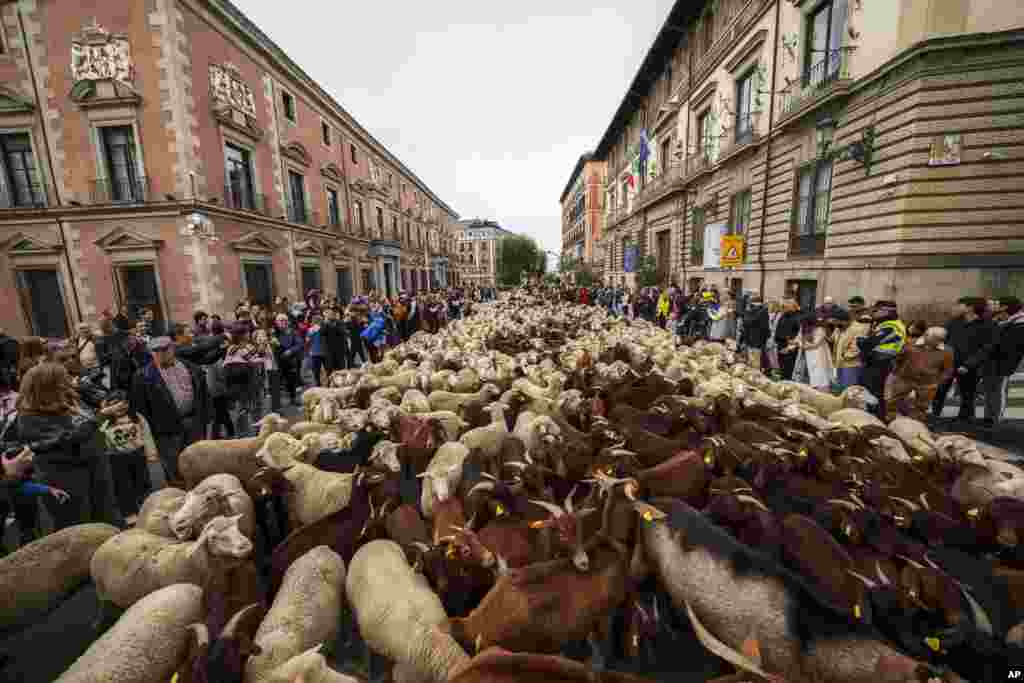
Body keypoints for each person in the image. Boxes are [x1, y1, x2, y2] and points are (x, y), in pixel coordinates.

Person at [11, 362, 120, 530]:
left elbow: (91, 425)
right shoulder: (29, 416)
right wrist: (99, 418)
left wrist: (105, 415)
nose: (68, 382)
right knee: (78, 527)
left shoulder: (70, 399)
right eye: (63, 379)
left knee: (106, 520)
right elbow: (65, 439)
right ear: (48, 386)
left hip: (95, 467)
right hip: (65, 476)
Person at [129, 337, 209, 487]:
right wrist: (150, 434)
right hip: (166, 430)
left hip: (193, 422)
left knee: (198, 462)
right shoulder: (142, 376)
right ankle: (179, 496)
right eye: (156, 351)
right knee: (174, 468)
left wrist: (204, 419)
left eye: (165, 350)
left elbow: (204, 395)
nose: (161, 354)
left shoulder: (191, 368)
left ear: (172, 349)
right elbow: (140, 409)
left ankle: (200, 491)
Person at [932, 298, 994, 423]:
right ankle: (934, 415)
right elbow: (942, 339)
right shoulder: (954, 322)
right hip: (948, 363)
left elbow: (987, 348)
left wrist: (969, 364)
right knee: (939, 390)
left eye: (960, 305)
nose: (956, 308)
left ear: (970, 308)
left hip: (969, 366)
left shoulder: (988, 325)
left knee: (967, 394)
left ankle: (965, 420)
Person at [97, 392, 156, 521]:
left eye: (123, 404)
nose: (120, 407)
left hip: (137, 454)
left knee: (143, 483)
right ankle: (130, 515)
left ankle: (146, 508)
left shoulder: (137, 417)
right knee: (123, 487)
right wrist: (102, 414)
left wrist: (151, 453)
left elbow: (146, 434)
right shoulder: (106, 422)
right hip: (117, 458)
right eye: (114, 405)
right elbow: (99, 435)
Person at [885, 327, 954, 423]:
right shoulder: (911, 344)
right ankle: (889, 420)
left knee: (921, 407)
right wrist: (897, 373)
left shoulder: (947, 351)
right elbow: (898, 358)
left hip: (928, 383)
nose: (926, 337)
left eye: (939, 339)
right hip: (905, 378)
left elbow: (948, 370)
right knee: (893, 401)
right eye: (927, 335)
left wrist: (937, 382)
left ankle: (917, 425)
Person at [857, 301, 906, 421]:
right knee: (871, 392)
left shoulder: (891, 326)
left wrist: (862, 341)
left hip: (881, 364)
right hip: (876, 363)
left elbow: (867, 343)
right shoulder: (884, 324)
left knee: (874, 394)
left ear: (886, 311)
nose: (873, 314)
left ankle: (876, 419)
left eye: (876, 311)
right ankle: (873, 417)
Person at [980, 296, 1024, 427]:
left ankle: (996, 420)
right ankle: (988, 418)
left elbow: (1013, 347)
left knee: (998, 391)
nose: (994, 307)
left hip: (1004, 363)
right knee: (989, 391)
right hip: (991, 361)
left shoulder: (1019, 323)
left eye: (997, 304)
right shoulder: (999, 321)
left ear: (1005, 307)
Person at [834, 310, 870, 390]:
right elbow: (835, 342)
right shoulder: (839, 328)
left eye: (837, 322)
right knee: (842, 388)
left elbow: (857, 347)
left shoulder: (858, 329)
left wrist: (844, 356)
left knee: (850, 390)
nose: (835, 324)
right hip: (840, 363)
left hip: (851, 365)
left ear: (846, 321)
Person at [273, 314, 304, 404]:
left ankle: (293, 398)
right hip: (276, 360)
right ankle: (276, 403)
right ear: (276, 322)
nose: (283, 322)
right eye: (281, 320)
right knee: (276, 383)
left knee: (291, 381)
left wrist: (291, 350)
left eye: (285, 320)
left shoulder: (293, 332)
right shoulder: (273, 333)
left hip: (289, 359)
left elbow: (299, 344)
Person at [801, 311, 835, 392]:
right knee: (819, 374)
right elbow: (816, 344)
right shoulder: (817, 330)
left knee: (818, 373)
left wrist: (804, 346)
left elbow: (815, 344)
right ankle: (822, 392)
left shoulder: (815, 330)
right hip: (816, 354)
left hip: (815, 354)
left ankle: (820, 391)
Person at [774, 297, 803, 380]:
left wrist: (791, 342)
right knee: (781, 365)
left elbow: (799, 333)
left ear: (793, 306)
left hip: (790, 346)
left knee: (788, 368)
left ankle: (787, 383)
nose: (785, 307)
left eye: (787, 305)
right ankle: (782, 381)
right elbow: (778, 327)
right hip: (780, 343)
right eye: (785, 305)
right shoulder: (783, 315)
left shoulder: (798, 317)